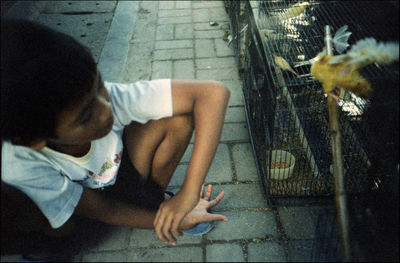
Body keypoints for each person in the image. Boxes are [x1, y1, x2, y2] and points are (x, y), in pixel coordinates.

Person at [1, 19, 230, 261]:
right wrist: (177, 221)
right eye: (86, 116)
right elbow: (104, 210)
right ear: (34, 140)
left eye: (98, 84)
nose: (105, 110)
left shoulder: (106, 98)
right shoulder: (17, 162)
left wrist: (189, 193)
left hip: (121, 179)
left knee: (179, 119)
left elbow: (214, 93)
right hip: (84, 212)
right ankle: (53, 248)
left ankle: (154, 204)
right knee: (34, 213)